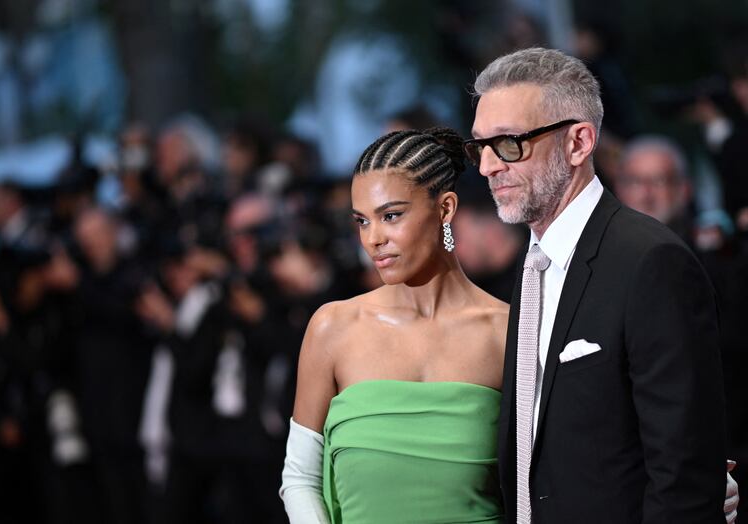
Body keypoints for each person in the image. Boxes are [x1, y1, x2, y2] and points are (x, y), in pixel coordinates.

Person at [466, 47, 733, 523]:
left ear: (579, 142)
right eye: (480, 146)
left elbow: (684, 472)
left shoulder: (651, 262)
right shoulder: (530, 270)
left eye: (508, 143)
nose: (488, 166)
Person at [280, 127, 509, 523]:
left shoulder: (507, 332)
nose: (373, 239)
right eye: (362, 221)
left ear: (446, 208)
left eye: (391, 215)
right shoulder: (334, 328)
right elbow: (301, 477)